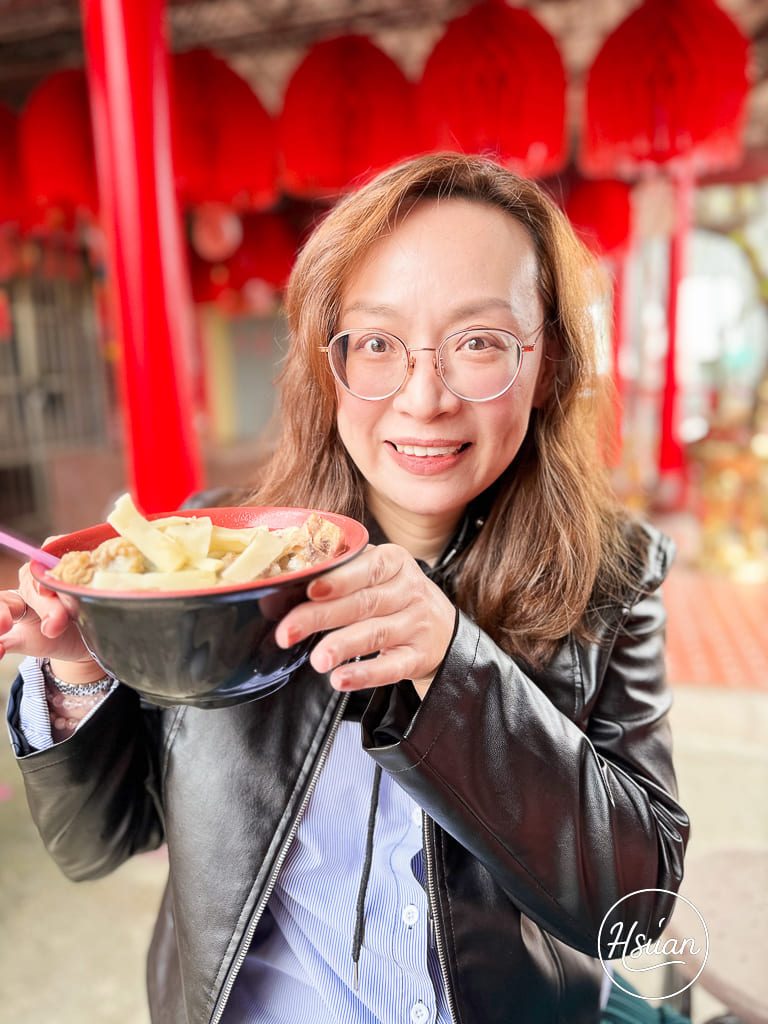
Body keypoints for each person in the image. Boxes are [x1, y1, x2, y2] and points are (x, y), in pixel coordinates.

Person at [2, 152, 689, 1024]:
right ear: (329, 366)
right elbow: (96, 844)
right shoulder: (211, 556)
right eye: (376, 343)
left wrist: (454, 667)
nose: (424, 397)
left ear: (546, 361)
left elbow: (638, 910)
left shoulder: (615, 575)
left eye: (478, 342)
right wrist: (79, 671)